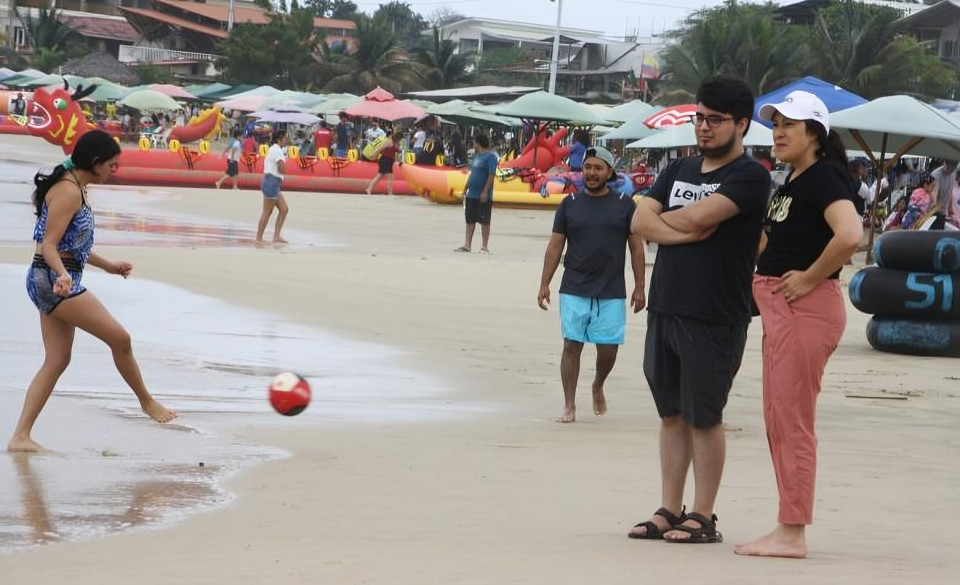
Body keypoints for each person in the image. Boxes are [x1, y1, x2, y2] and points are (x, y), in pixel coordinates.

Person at [629, 75, 770, 543]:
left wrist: (666, 223)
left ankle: (704, 515)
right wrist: (681, 231)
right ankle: (670, 507)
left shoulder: (749, 176)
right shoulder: (678, 170)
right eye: (699, 118)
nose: (704, 128)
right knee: (671, 412)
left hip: (715, 312)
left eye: (715, 120)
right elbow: (638, 220)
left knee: (705, 415)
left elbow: (689, 217)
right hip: (667, 304)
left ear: (741, 124)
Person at [735, 91, 863, 559]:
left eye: (790, 124)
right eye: (775, 124)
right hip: (780, 308)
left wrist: (809, 277)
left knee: (793, 423)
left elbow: (850, 235)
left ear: (816, 133)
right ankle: (787, 525)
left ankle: (792, 532)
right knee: (779, 420)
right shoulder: (794, 182)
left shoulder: (825, 177)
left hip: (805, 308)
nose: (779, 131)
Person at [8, 130, 177, 452]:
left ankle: (20, 437)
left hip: (56, 278)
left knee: (57, 360)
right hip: (52, 280)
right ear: (95, 162)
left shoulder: (76, 187)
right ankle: (147, 402)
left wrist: (108, 265)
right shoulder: (69, 191)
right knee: (120, 339)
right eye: (112, 164)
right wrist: (62, 276)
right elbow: (48, 246)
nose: (115, 170)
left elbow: (74, 247)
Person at [537, 146, 645, 423]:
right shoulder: (569, 204)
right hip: (574, 285)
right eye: (588, 167)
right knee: (571, 344)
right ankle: (569, 404)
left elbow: (636, 248)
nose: (592, 173)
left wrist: (640, 286)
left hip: (611, 288)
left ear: (610, 172)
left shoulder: (624, 204)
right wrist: (544, 283)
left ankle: (598, 384)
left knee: (608, 348)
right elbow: (554, 247)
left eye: (598, 168)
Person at [454, 134, 499, 253]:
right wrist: (465, 189)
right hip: (471, 194)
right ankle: (467, 244)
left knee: (484, 221)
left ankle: (484, 246)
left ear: (478, 143)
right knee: (470, 220)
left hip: (483, 194)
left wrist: (485, 191)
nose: (473, 145)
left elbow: (491, 175)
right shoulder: (476, 156)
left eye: (474, 143)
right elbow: (472, 174)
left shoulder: (491, 157)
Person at [256, 132, 290, 245]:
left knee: (284, 209)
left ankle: (276, 236)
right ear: (280, 139)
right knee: (267, 211)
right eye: (284, 138)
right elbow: (281, 167)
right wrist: (285, 167)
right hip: (272, 181)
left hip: (273, 182)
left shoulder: (276, 150)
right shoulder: (276, 150)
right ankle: (259, 238)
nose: (286, 140)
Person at [365, 131, 402, 196]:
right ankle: (389, 192)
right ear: (397, 138)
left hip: (389, 160)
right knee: (389, 176)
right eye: (400, 139)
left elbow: (396, 153)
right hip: (385, 159)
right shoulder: (389, 141)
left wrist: (399, 160)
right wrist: (373, 154)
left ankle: (369, 189)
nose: (400, 140)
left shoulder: (396, 143)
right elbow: (380, 148)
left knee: (380, 176)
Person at [929, 159, 957, 229]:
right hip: (934, 212)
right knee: (933, 235)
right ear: (945, 162)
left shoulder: (953, 174)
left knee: (939, 234)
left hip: (943, 212)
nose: (950, 171)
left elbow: (950, 192)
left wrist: (950, 208)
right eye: (949, 168)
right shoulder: (936, 174)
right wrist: (934, 202)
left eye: (953, 168)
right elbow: (934, 192)